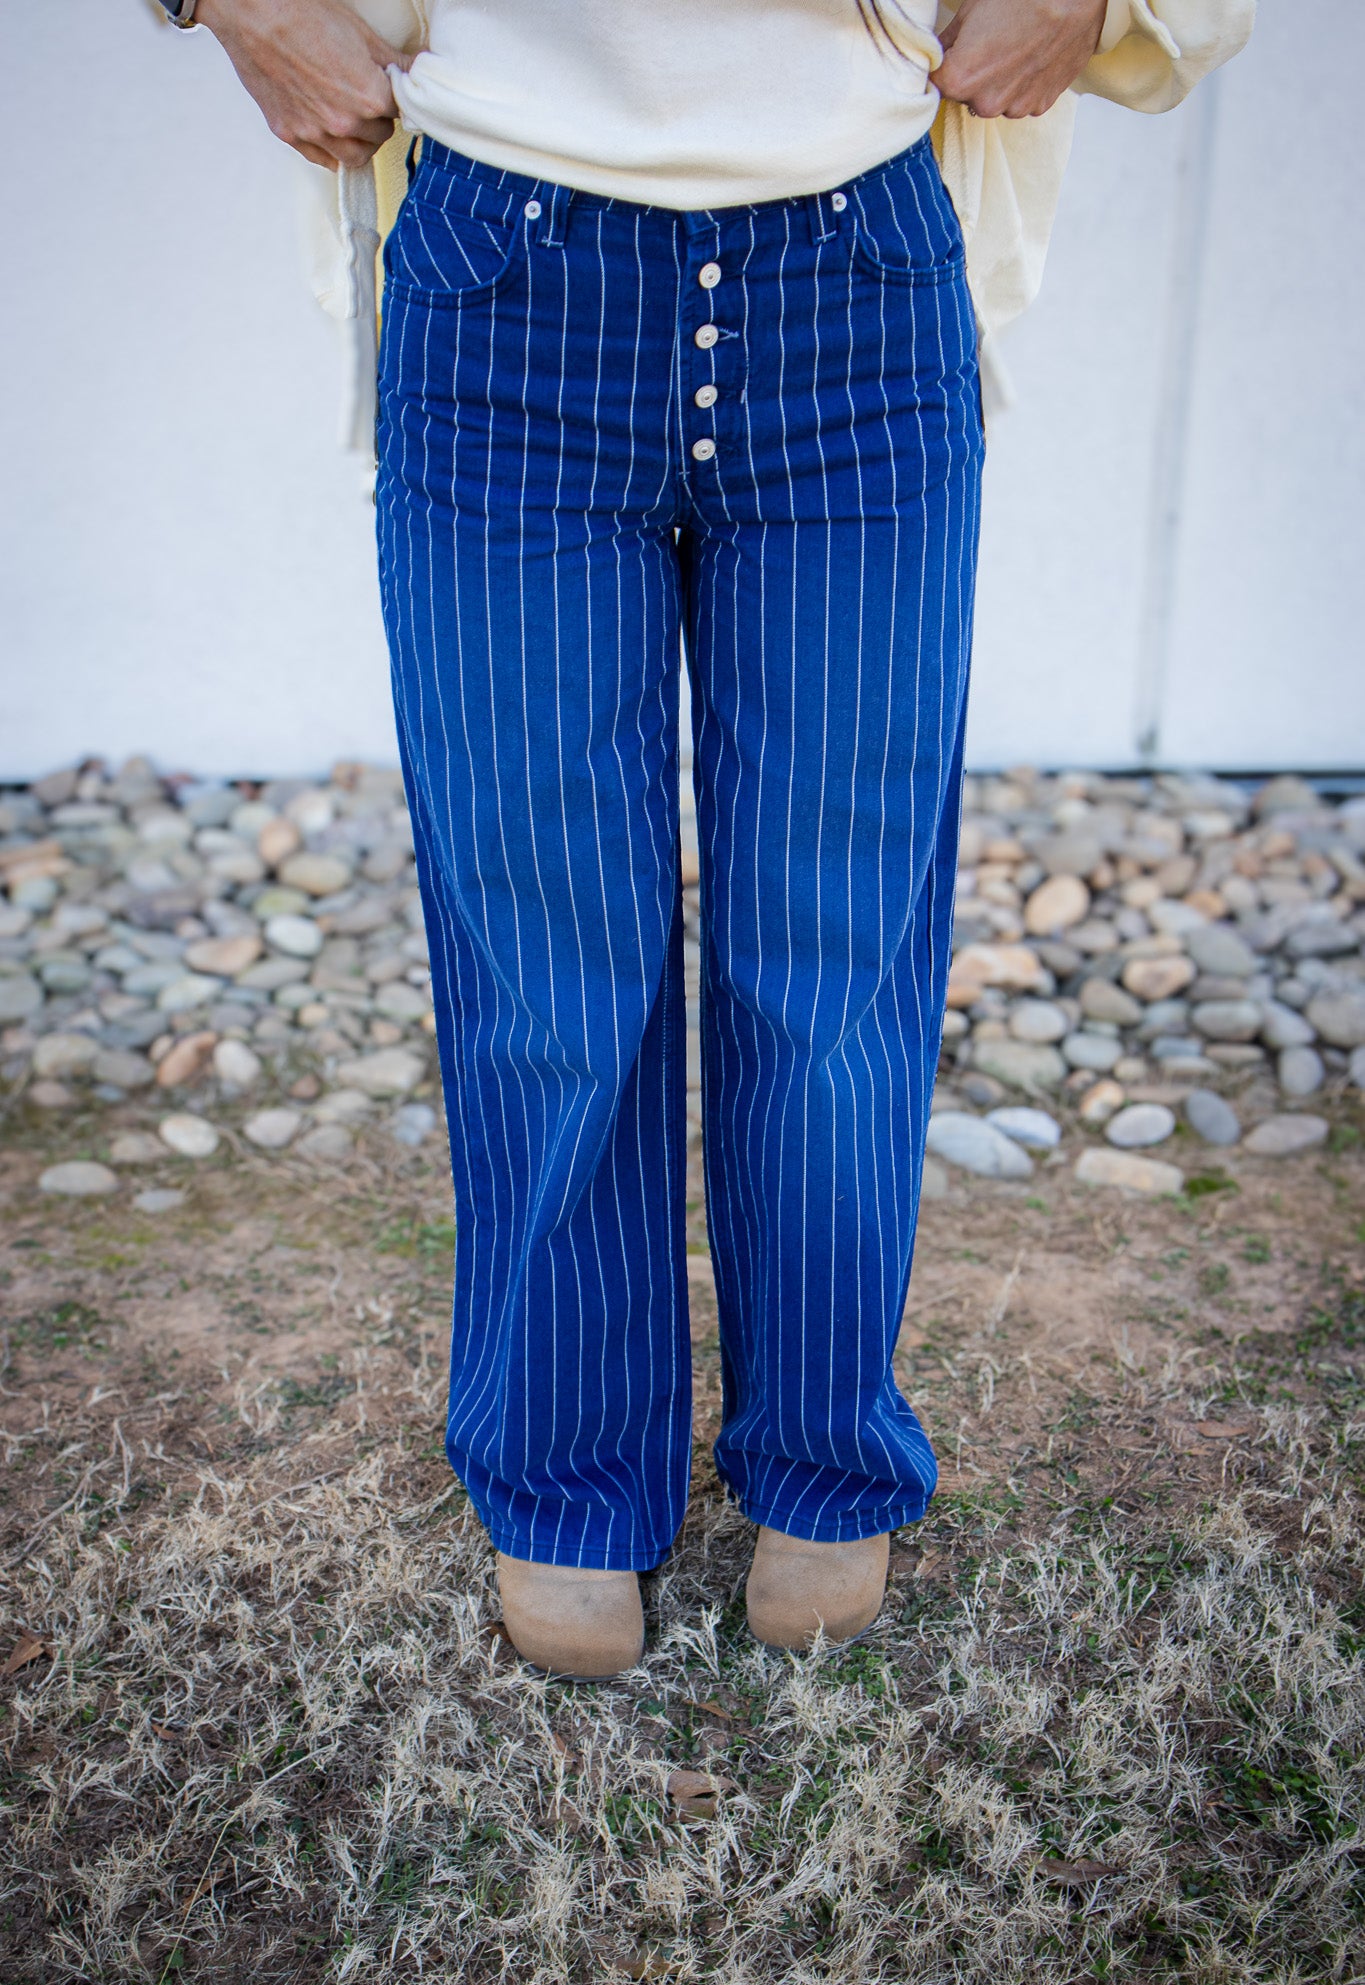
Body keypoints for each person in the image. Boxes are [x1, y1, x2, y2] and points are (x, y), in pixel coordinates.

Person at [177, 0, 1254, 1678]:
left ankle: (826, 1457)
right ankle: (564, 1478)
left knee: (830, 948)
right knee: (544, 948)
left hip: (859, 266)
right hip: (497, 265)